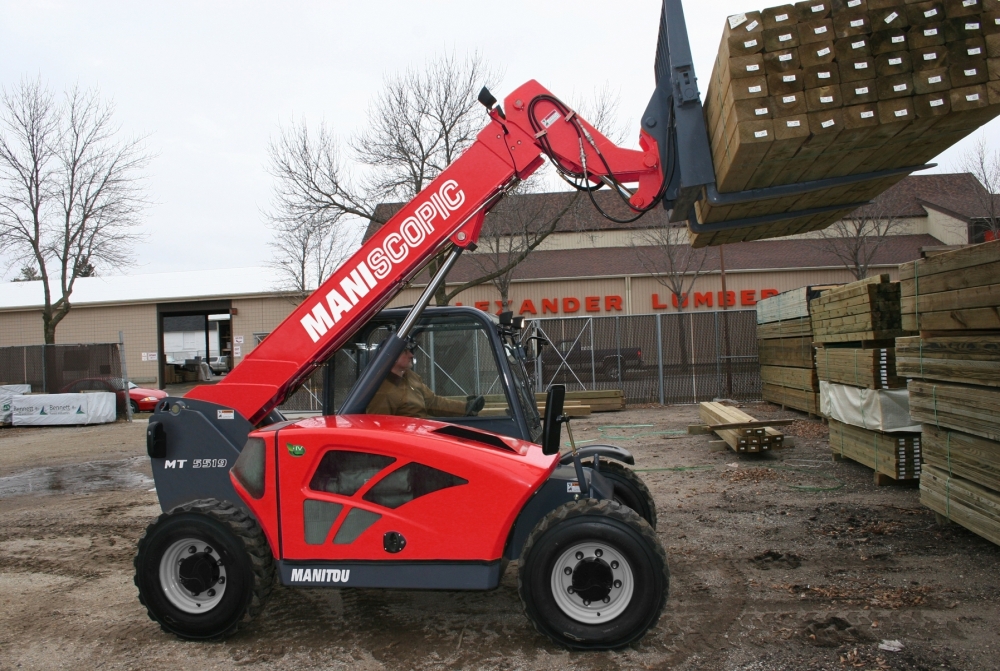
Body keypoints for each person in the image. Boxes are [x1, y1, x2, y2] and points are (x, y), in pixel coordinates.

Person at [366, 340, 486, 418]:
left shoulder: (410, 376)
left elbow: (432, 402)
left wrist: (465, 408)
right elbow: (378, 430)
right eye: (405, 352)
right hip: (406, 445)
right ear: (391, 356)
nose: (411, 355)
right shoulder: (382, 392)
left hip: (421, 435)